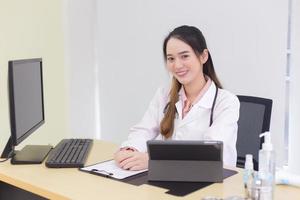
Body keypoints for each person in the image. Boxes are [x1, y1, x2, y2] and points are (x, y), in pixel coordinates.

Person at [114, 25, 240, 171]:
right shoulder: (164, 94)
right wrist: (130, 150)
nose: (177, 65)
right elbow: (143, 130)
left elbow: (211, 155)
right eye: (171, 58)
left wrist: (154, 161)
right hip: (167, 178)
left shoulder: (226, 102)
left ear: (203, 56)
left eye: (185, 56)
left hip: (209, 183)